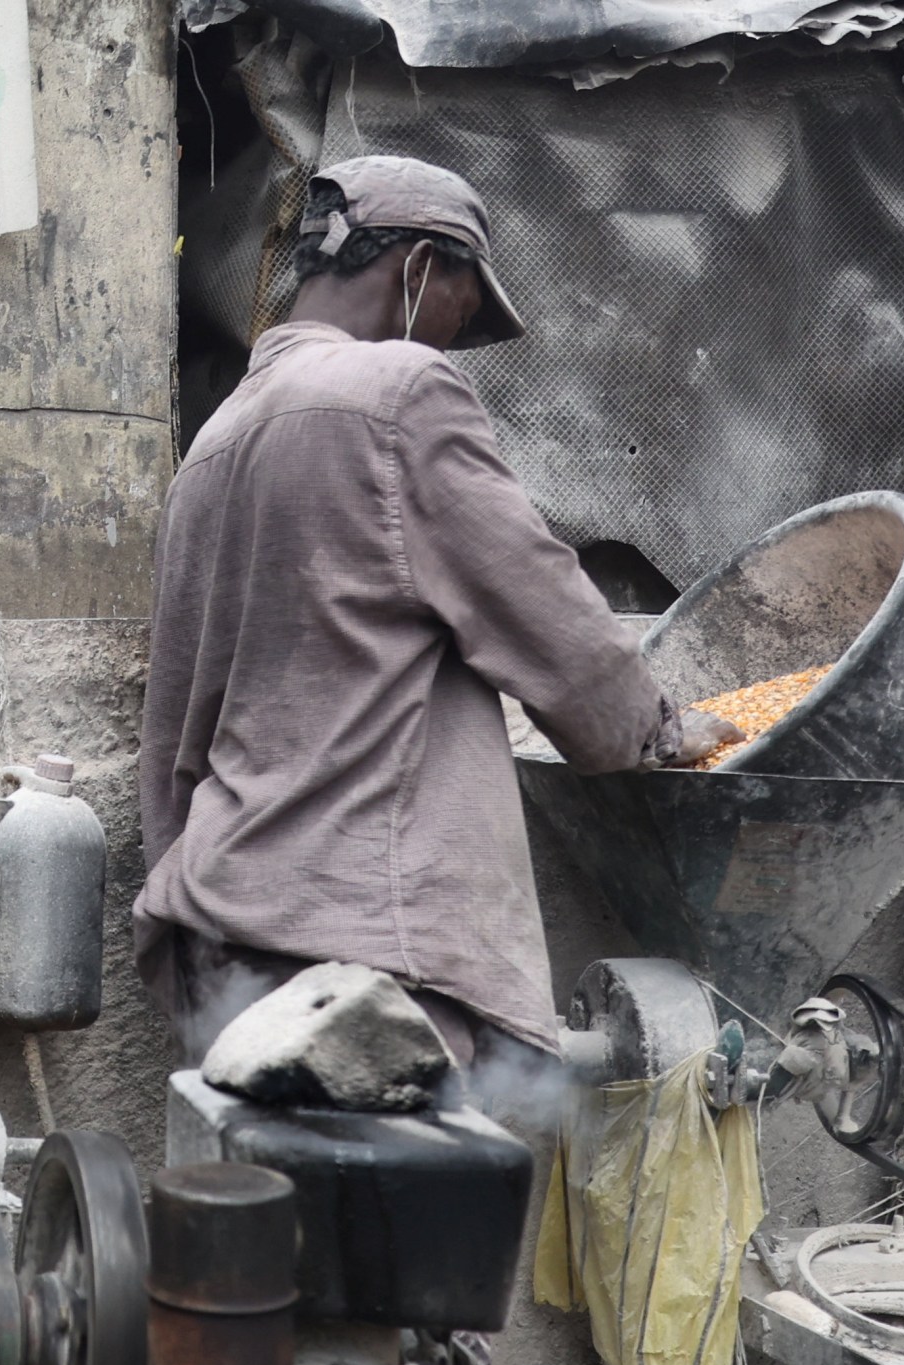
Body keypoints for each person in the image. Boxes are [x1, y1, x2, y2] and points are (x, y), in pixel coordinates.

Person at [135, 154, 740, 1075]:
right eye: (462, 303)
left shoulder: (212, 446)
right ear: (418, 269)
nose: (454, 340)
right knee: (420, 1211)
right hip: (373, 949)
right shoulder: (397, 393)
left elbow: (172, 720)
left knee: (277, 1215)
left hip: (226, 926)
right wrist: (654, 732)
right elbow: (540, 606)